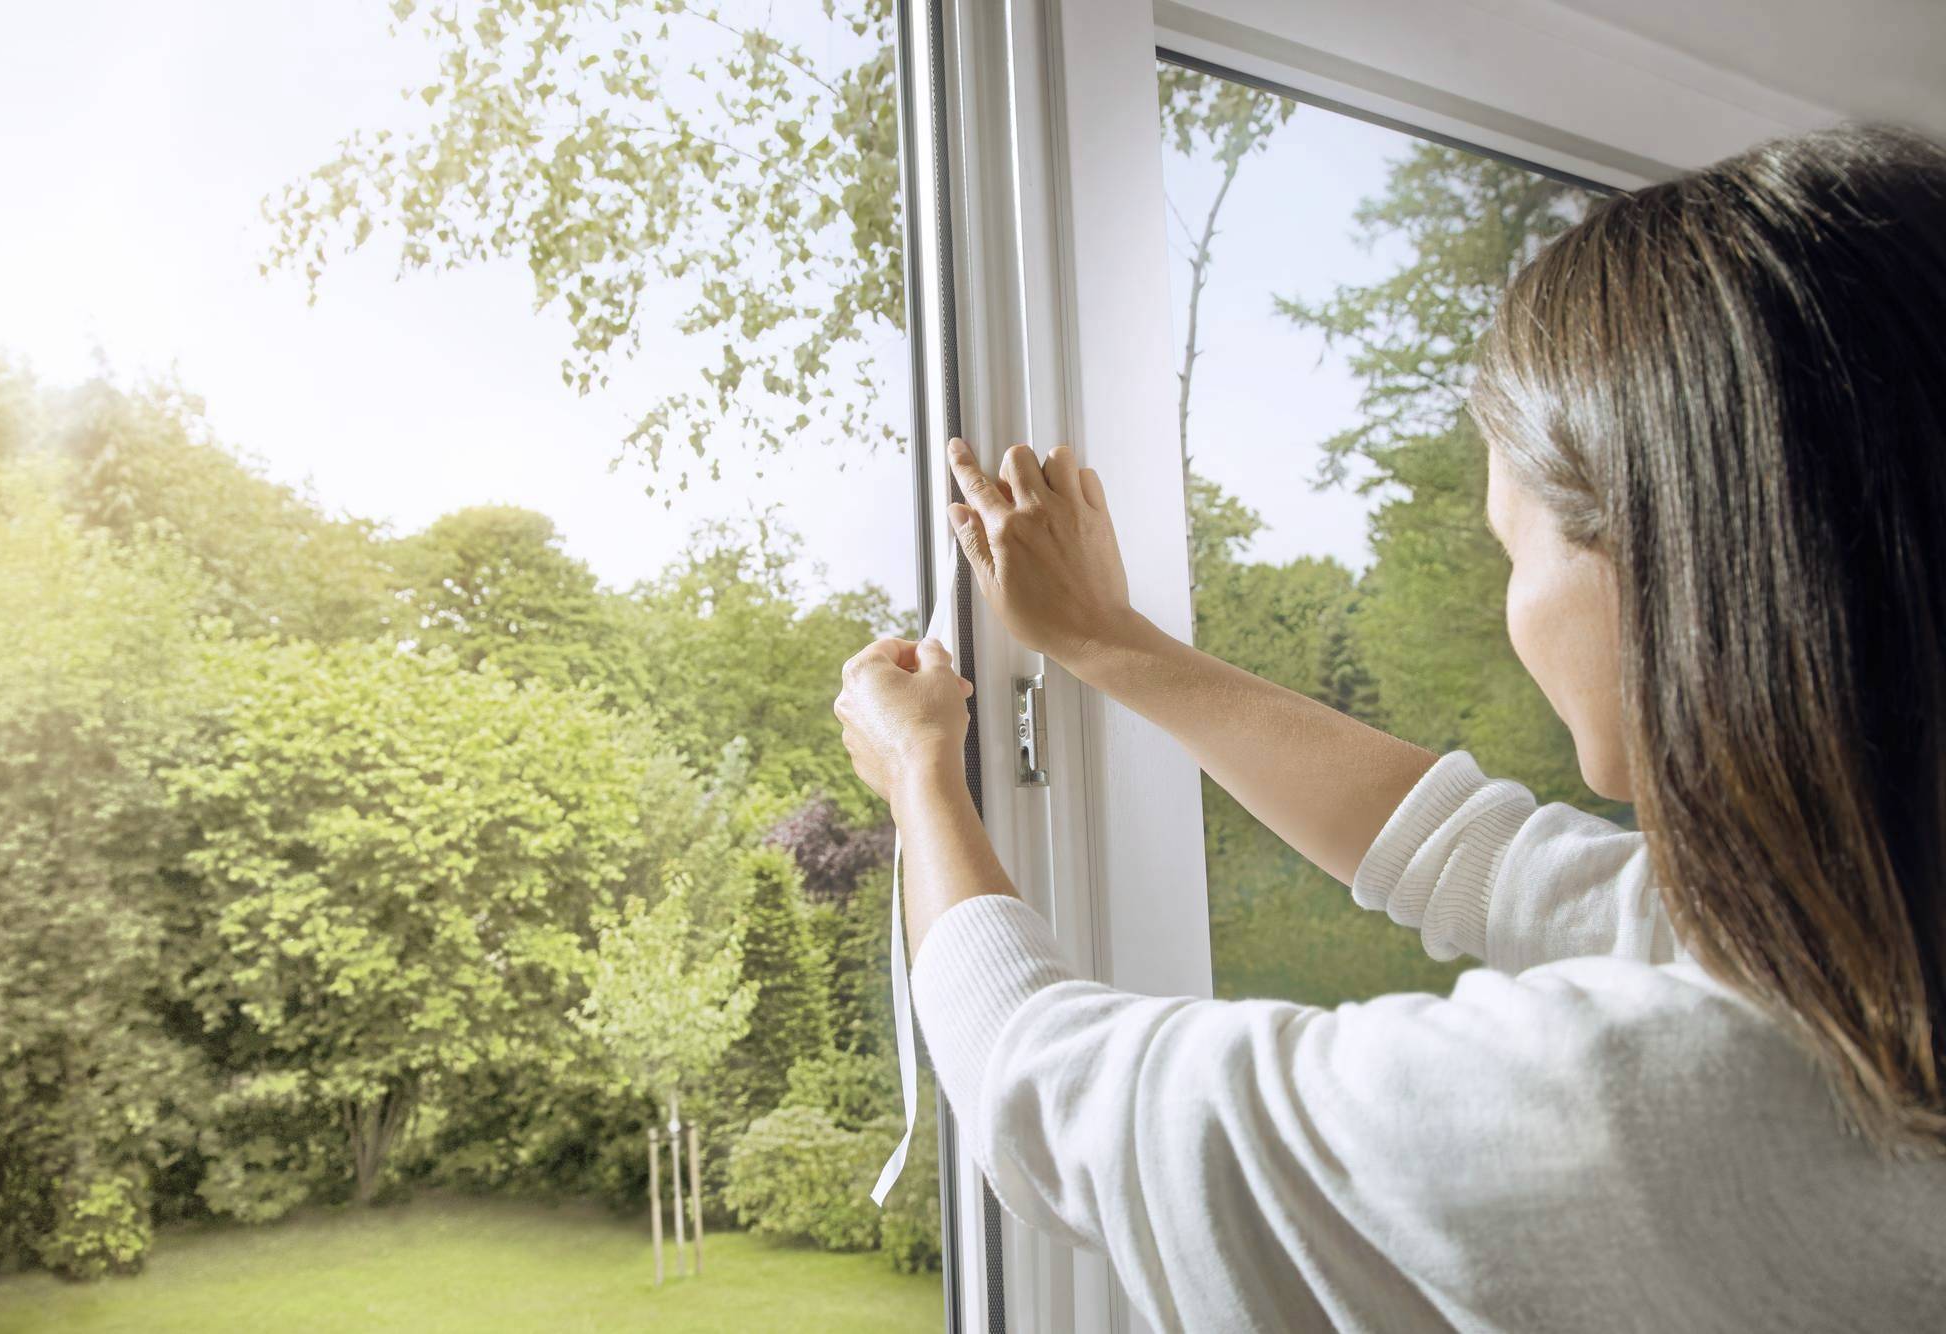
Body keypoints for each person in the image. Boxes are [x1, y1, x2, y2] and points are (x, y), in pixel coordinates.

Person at [832, 124, 1946, 1332]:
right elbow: (1485, 858)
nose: (1505, 605)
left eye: (1510, 551)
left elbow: (1050, 1099)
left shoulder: (1653, 1110)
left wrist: (920, 776)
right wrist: (1107, 640)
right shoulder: (1871, 937)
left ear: (1668, 565)